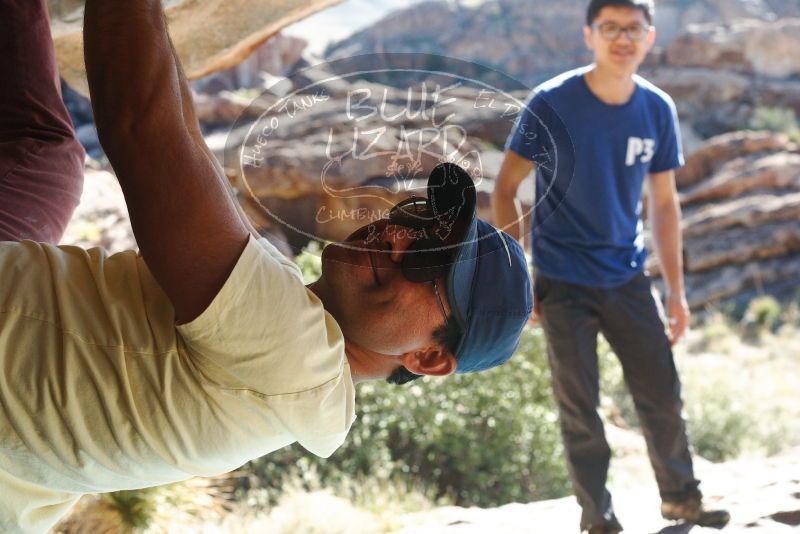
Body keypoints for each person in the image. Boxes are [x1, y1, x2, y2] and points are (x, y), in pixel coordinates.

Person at [0, 1, 532, 532]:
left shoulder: (297, 359)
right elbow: (187, 142)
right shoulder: (300, 349)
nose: (397, 235)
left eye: (429, 260)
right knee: (50, 159)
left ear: (429, 357)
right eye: (417, 221)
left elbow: (142, 130)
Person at [492, 1, 730, 532]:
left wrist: (676, 291)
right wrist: (516, 275)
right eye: (610, 28)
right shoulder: (552, 102)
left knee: (662, 394)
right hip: (560, 278)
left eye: (633, 29)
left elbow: (665, 205)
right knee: (581, 408)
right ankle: (597, 517)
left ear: (649, 37)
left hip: (626, 276)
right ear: (590, 36)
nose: (622, 39)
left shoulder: (656, 108)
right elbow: (504, 189)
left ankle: (681, 500)